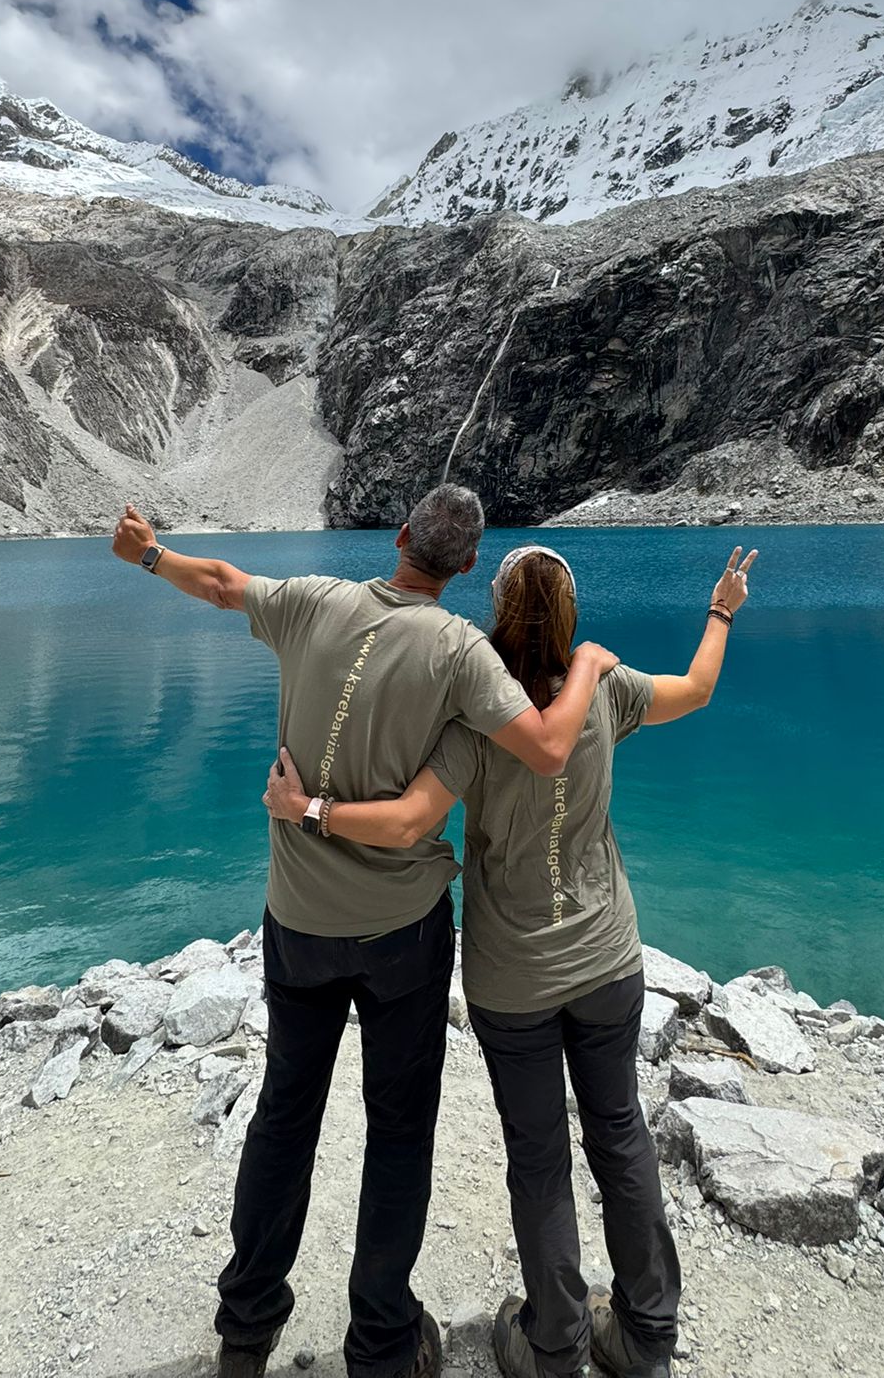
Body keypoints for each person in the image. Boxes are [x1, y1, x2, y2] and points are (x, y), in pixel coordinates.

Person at [111, 487, 620, 1378]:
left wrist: (149, 554)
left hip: (298, 923)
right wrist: (587, 668)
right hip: (402, 936)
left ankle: (246, 1331)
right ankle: (382, 1343)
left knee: (284, 1115)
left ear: (399, 537)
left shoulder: (314, 600)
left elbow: (222, 582)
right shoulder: (462, 652)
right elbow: (545, 748)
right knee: (398, 1130)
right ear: (469, 566)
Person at [266, 542, 757, 1378]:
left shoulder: (474, 716)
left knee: (538, 1157)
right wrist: (720, 613)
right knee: (620, 1133)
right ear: (569, 616)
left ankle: (553, 1345)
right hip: (607, 959)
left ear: (498, 611)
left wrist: (306, 807)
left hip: (512, 980)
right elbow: (699, 688)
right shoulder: (607, 687)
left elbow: (407, 821)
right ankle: (646, 1337)